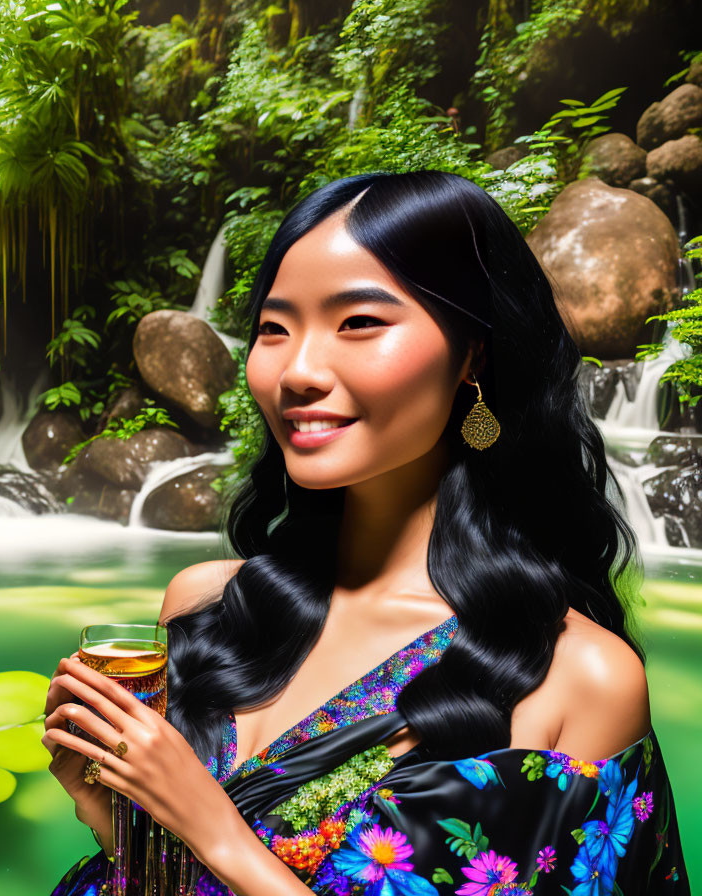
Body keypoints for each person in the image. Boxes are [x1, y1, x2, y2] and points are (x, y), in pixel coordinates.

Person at [41, 169, 691, 896]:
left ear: (473, 352)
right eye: (273, 330)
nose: (298, 370)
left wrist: (212, 829)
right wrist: (116, 821)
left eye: (358, 323)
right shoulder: (207, 606)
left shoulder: (579, 680)